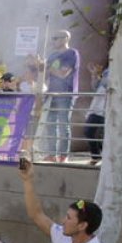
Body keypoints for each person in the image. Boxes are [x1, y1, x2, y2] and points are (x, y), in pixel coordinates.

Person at [42, 30, 79, 162]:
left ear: (65, 39)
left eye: (56, 38)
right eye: (53, 38)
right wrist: (39, 67)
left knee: (63, 124)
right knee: (50, 124)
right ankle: (52, 154)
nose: (53, 41)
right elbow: (45, 75)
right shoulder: (52, 55)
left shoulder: (72, 53)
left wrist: (47, 67)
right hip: (52, 94)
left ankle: (63, 155)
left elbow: (63, 74)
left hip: (66, 93)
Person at [83, 62, 108, 165]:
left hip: (107, 108)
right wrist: (95, 75)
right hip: (96, 106)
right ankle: (96, 156)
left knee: (104, 135)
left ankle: (105, 159)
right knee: (88, 130)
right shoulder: (107, 71)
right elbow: (95, 88)